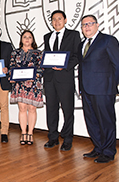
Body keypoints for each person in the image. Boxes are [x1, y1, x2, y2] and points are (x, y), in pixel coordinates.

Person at [78, 15, 119, 163]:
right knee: (92, 121)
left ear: (97, 25)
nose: (87, 27)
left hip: (103, 90)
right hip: (86, 90)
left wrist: (110, 85)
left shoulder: (108, 40)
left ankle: (108, 152)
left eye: (90, 24)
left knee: (106, 121)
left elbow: (118, 65)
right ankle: (98, 148)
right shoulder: (82, 44)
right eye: (84, 25)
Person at [43, 10, 81, 151]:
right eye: (54, 19)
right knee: (51, 109)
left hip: (65, 78)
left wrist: (64, 66)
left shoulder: (74, 35)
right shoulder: (47, 36)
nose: (56, 22)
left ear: (65, 20)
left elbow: (77, 56)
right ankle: (53, 137)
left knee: (67, 109)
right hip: (50, 79)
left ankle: (68, 139)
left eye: (59, 19)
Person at [9, 30, 43, 145]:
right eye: (25, 37)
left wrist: (34, 75)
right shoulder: (15, 53)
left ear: (32, 39)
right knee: (22, 109)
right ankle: (23, 132)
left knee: (32, 109)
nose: (27, 39)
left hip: (33, 85)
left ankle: (30, 133)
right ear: (21, 39)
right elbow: (11, 67)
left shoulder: (38, 53)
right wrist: (12, 76)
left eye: (29, 37)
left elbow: (41, 68)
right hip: (20, 85)